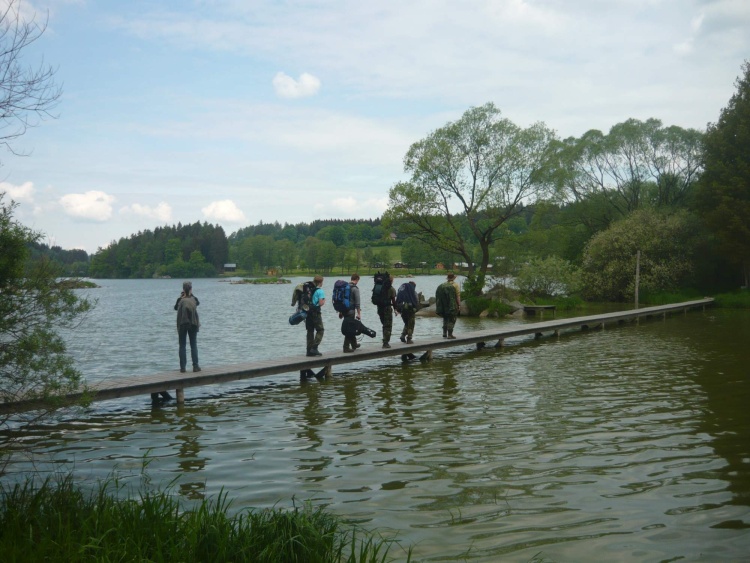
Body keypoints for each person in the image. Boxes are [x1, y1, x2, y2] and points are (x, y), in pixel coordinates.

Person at [175, 281, 200, 372]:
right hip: (193, 323)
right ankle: (195, 366)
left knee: (182, 346)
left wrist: (181, 297)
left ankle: (183, 368)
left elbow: (175, 307)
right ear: (191, 289)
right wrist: (191, 294)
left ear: (183, 289)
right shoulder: (194, 299)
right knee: (193, 345)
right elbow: (198, 303)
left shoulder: (180, 300)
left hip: (182, 324)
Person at [377, 274, 399, 348]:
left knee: (384, 325)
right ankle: (385, 342)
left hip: (379, 308)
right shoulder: (391, 289)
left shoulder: (379, 287)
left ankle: (384, 339)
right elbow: (393, 301)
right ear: (391, 281)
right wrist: (395, 309)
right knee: (388, 326)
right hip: (387, 309)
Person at [306, 275, 326, 356]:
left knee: (310, 331)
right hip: (316, 313)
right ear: (320, 282)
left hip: (308, 313)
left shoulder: (309, 290)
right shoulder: (320, 291)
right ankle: (314, 348)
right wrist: (324, 301)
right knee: (320, 330)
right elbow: (321, 303)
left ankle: (309, 350)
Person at [342, 273, 361, 353]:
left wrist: (340, 312)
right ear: (357, 279)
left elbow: (342, 300)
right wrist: (359, 314)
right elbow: (357, 303)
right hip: (351, 311)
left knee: (351, 326)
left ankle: (354, 344)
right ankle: (346, 347)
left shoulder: (345, 287)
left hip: (344, 310)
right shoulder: (355, 289)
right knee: (349, 328)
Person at [442, 272, 461, 339]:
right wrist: (459, 305)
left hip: (444, 305)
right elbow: (458, 296)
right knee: (452, 319)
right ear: (453, 278)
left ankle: (444, 333)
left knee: (445, 318)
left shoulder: (443, 285)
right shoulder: (455, 285)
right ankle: (450, 335)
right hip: (453, 304)